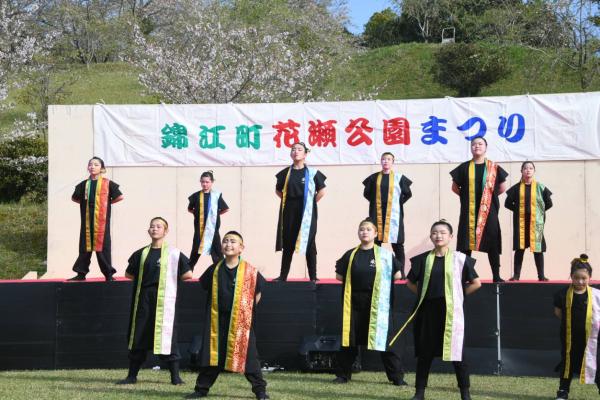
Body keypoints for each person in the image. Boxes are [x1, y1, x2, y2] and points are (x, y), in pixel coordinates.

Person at [390, 220, 481, 400]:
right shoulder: (422, 259)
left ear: (451, 236)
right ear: (431, 236)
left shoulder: (460, 259)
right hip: (427, 312)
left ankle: (465, 394)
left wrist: (458, 296)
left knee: (458, 354)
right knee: (425, 354)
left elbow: (476, 283)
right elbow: (410, 283)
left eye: (443, 232)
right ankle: (419, 393)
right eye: (434, 233)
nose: (438, 236)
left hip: (451, 313)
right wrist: (424, 296)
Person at [187, 231, 269, 399]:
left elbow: (258, 293)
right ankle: (201, 389)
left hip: (241, 323)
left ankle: (260, 391)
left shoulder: (250, 271)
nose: (228, 244)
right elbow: (205, 286)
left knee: (249, 358)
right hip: (218, 322)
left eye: (233, 241)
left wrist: (246, 311)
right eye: (225, 241)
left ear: (241, 248)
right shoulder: (214, 269)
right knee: (213, 356)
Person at [118, 217, 192, 385]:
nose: (155, 229)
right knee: (139, 334)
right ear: (148, 230)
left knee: (167, 336)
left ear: (166, 231)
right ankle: (131, 376)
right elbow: (128, 274)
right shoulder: (140, 253)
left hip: (164, 300)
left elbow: (188, 274)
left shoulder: (174, 254)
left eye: (159, 226)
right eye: (152, 226)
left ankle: (175, 377)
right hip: (144, 299)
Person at [333, 219, 407, 386]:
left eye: (368, 229)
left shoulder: (385, 255)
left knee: (385, 342)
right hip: (354, 305)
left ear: (375, 234)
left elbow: (397, 275)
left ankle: (397, 377)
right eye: (362, 229)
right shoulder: (350, 254)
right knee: (349, 341)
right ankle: (343, 375)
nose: (364, 232)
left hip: (378, 305)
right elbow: (339, 276)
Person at [450, 137, 508, 282]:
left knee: (492, 241)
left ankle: (496, 275)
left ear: (486, 147)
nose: (477, 146)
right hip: (468, 211)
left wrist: (488, 197)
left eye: (480, 144)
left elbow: (502, 188)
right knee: (466, 243)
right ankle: (465, 275)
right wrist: (466, 196)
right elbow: (455, 188)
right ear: (471, 148)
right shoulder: (464, 167)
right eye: (474, 144)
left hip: (489, 211)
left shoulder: (494, 167)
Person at [274, 142, 326, 282]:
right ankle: (283, 276)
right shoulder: (286, 173)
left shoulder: (313, 173)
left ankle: (313, 277)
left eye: (299, 149)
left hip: (307, 211)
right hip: (289, 211)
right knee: (288, 242)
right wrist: (290, 200)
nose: (296, 151)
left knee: (310, 243)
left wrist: (311, 203)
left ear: (305, 154)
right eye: (293, 149)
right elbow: (278, 190)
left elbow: (322, 191)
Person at [69, 156, 124, 281]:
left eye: (96, 164)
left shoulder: (108, 183)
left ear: (102, 168)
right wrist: (86, 205)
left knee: (103, 248)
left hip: (102, 222)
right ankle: (81, 274)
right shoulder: (83, 184)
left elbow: (119, 197)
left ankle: (108, 274)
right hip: (87, 221)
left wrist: (107, 204)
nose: (92, 167)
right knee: (84, 247)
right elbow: (74, 198)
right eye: (90, 164)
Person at [554, 255, 600, 400]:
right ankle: (563, 391)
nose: (580, 281)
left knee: (596, 364)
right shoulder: (562, 294)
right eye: (576, 278)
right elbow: (558, 313)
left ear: (590, 277)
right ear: (571, 276)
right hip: (570, 338)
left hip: (591, 339)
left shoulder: (596, 295)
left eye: (584, 278)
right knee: (567, 363)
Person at [362, 152, 412, 279]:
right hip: (377, 214)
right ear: (381, 161)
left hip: (394, 216)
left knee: (398, 245)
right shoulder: (373, 178)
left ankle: (400, 273)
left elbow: (408, 194)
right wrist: (376, 203)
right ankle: (375, 271)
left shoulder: (399, 178)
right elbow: (367, 193)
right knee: (375, 243)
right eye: (383, 159)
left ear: (392, 162)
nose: (386, 161)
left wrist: (397, 203)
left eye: (389, 159)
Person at [504, 161, 553, 281]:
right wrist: (518, 210)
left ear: (534, 171)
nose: (528, 170)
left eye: (531, 168)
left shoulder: (540, 188)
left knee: (538, 249)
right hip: (521, 223)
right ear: (521, 171)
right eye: (525, 168)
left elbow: (549, 203)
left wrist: (538, 212)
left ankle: (541, 276)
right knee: (519, 249)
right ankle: (516, 276)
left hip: (536, 223)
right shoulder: (516, 188)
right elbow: (507, 203)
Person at [188, 170, 229, 271]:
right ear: (200, 182)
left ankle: (221, 272)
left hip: (213, 229)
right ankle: (187, 272)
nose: (205, 184)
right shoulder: (195, 196)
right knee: (195, 251)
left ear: (212, 182)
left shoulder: (216, 195)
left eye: (207, 182)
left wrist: (214, 215)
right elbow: (190, 209)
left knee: (218, 252)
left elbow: (225, 209)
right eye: (203, 182)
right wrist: (197, 214)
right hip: (200, 229)